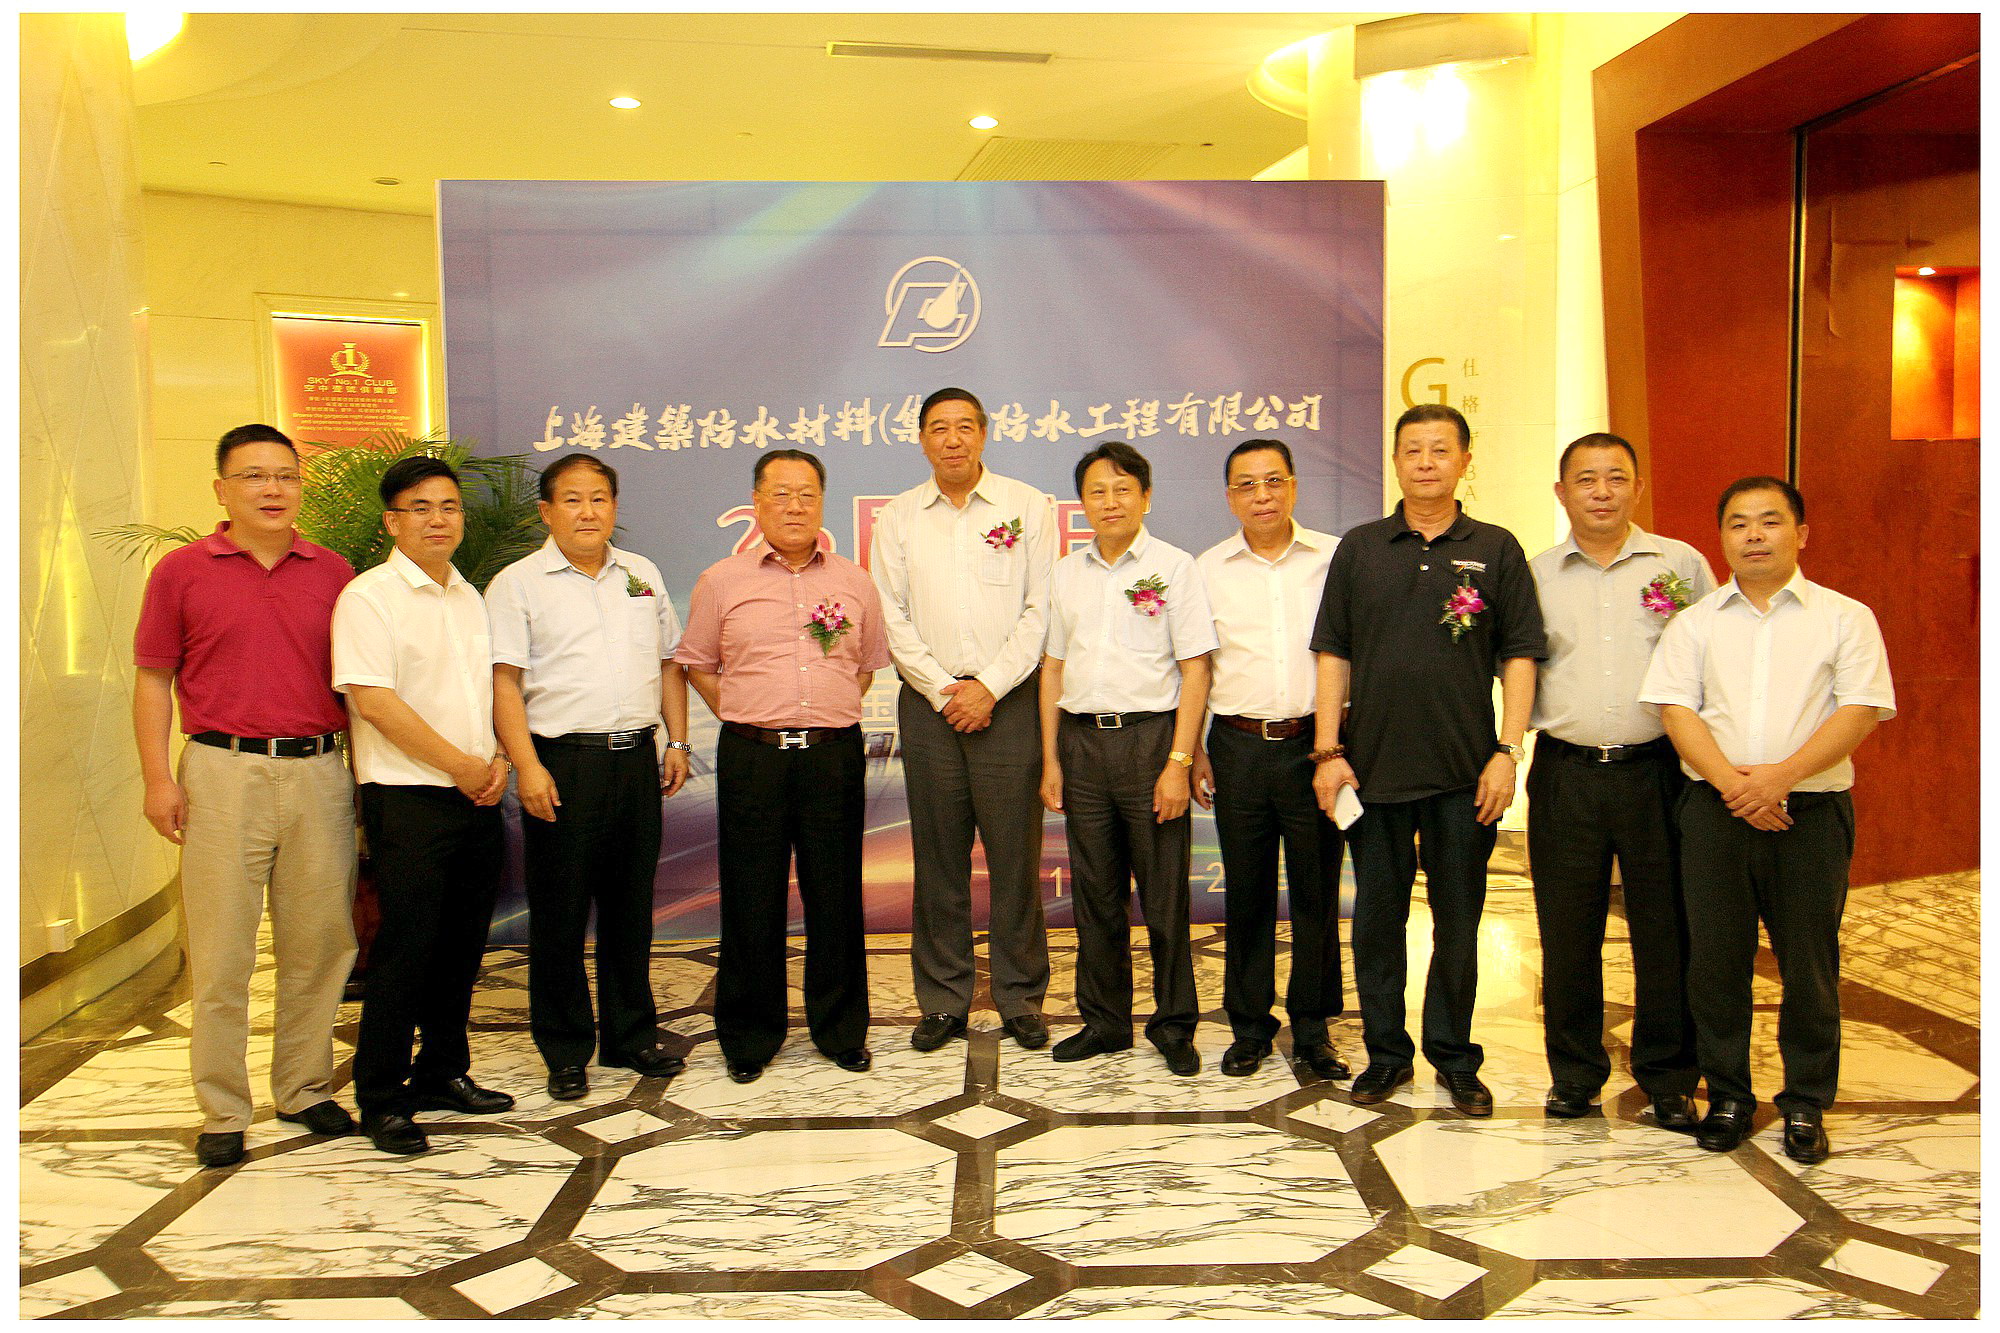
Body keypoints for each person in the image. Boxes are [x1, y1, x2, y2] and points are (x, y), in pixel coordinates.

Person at [1641, 476, 1894, 1163]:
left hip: (1809, 812)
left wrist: (1779, 778)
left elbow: (1859, 710)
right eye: (1738, 523)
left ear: (1801, 533)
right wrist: (1736, 787)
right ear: (1722, 537)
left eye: (1770, 521)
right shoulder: (1694, 623)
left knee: (1809, 963)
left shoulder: (1846, 618)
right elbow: (1675, 710)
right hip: (1715, 811)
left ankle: (1806, 1100)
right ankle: (1728, 1094)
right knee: (1715, 960)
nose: (1754, 535)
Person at [132, 423, 358, 1168]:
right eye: (255, 476)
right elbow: (153, 680)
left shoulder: (334, 572)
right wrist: (158, 778)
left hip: (319, 770)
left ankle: (304, 1087)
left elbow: (360, 688)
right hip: (221, 772)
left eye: (286, 476)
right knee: (223, 948)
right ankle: (223, 1107)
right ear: (221, 488)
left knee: (320, 942)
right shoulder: (181, 572)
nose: (272, 489)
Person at [1309, 403, 1545, 1115]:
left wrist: (1508, 751)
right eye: (1412, 449)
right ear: (1395, 461)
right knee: (1377, 922)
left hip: (1465, 774)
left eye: (1441, 449)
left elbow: (1520, 656)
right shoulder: (1361, 547)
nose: (1426, 461)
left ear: (1465, 461)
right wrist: (1328, 750)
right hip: (1373, 772)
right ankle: (1386, 1053)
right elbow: (1333, 654)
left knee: (1458, 921)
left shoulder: (1497, 548)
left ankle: (1454, 1056)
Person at [675, 449, 891, 1084]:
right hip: (753, 756)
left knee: (835, 894)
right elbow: (698, 664)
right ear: (757, 503)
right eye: (780, 494)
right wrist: (745, 711)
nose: (794, 506)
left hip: (831, 755)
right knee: (751, 895)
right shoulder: (721, 581)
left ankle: (840, 1030)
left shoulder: (854, 581)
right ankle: (749, 1036)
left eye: (806, 495)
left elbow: (864, 667)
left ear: (822, 504)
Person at [485, 454, 692, 1101]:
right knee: (560, 912)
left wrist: (677, 738)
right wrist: (526, 765)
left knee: (631, 908)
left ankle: (631, 1035)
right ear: (546, 511)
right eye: (572, 499)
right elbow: (503, 682)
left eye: (599, 498)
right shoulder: (518, 584)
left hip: (635, 759)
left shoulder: (641, 574)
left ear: (615, 507)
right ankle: (566, 1048)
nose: (587, 511)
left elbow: (670, 663)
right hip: (561, 762)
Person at [1527, 433, 1713, 1132]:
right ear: (1561, 492)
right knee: (1566, 930)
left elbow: (1717, 658)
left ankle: (1669, 1077)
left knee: (1667, 930)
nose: (1601, 491)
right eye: (1585, 479)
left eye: (1615, 477)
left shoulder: (1681, 565)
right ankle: (1574, 1074)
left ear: (1638, 487)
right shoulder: (1535, 574)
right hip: (1566, 771)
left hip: (1659, 770)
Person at [332, 456, 515, 1156]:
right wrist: (462, 766)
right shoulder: (369, 597)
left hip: (475, 794)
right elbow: (373, 702)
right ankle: (381, 1096)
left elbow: (484, 694)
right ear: (392, 521)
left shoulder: (468, 595)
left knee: (462, 945)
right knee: (406, 949)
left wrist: (494, 763)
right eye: (420, 507)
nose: (439, 519)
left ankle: (442, 1071)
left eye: (449, 506)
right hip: (408, 797)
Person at [871, 387, 1056, 1054]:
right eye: (938, 428)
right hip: (931, 708)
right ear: (922, 439)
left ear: (984, 433)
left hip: (1009, 706)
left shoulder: (1027, 507)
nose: (952, 439)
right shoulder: (898, 517)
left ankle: (1020, 997)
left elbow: (1041, 609)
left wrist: (990, 687)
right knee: (938, 859)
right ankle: (944, 1000)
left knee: (1015, 859)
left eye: (964, 427)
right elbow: (890, 615)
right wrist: (945, 689)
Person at [1039, 441, 1216, 1075]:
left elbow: (1196, 668)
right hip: (1082, 744)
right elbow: (1053, 667)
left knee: (1164, 896)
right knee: (1095, 894)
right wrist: (1051, 760)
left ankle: (1174, 1024)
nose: (1109, 502)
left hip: (1151, 744)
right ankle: (1105, 1022)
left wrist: (1178, 761)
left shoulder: (1174, 567)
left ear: (1145, 496)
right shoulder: (1066, 572)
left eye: (1122, 489)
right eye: (1096, 491)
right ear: (1081, 503)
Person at [1192, 438, 1350, 1081]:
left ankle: (1313, 1029)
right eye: (1247, 485)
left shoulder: (1334, 559)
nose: (1262, 495)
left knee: (1317, 891)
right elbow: (1197, 666)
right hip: (1237, 747)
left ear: (1293, 486)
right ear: (1230, 497)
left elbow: (1349, 652)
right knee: (1248, 892)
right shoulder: (1207, 569)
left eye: (1274, 481)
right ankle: (1249, 1027)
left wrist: (1337, 746)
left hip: (1318, 746)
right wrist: (1193, 749)